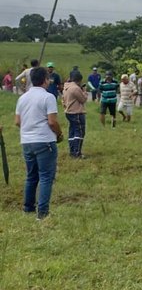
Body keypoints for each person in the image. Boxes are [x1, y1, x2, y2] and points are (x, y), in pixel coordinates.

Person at [14, 66, 63, 220]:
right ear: (45, 80)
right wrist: (59, 134)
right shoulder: (48, 97)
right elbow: (52, 122)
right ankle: (42, 212)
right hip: (44, 141)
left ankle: (28, 208)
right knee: (46, 177)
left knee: (31, 176)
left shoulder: (22, 98)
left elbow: (17, 122)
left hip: (27, 141)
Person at [63, 70, 88, 159]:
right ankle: (77, 152)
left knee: (72, 132)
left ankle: (72, 150)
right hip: (77, 112)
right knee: (79, 132)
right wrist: (84, 91)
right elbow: (83, 99)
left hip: (68, 112)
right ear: (79, 80)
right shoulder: (75, 88)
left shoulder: (66, 87)